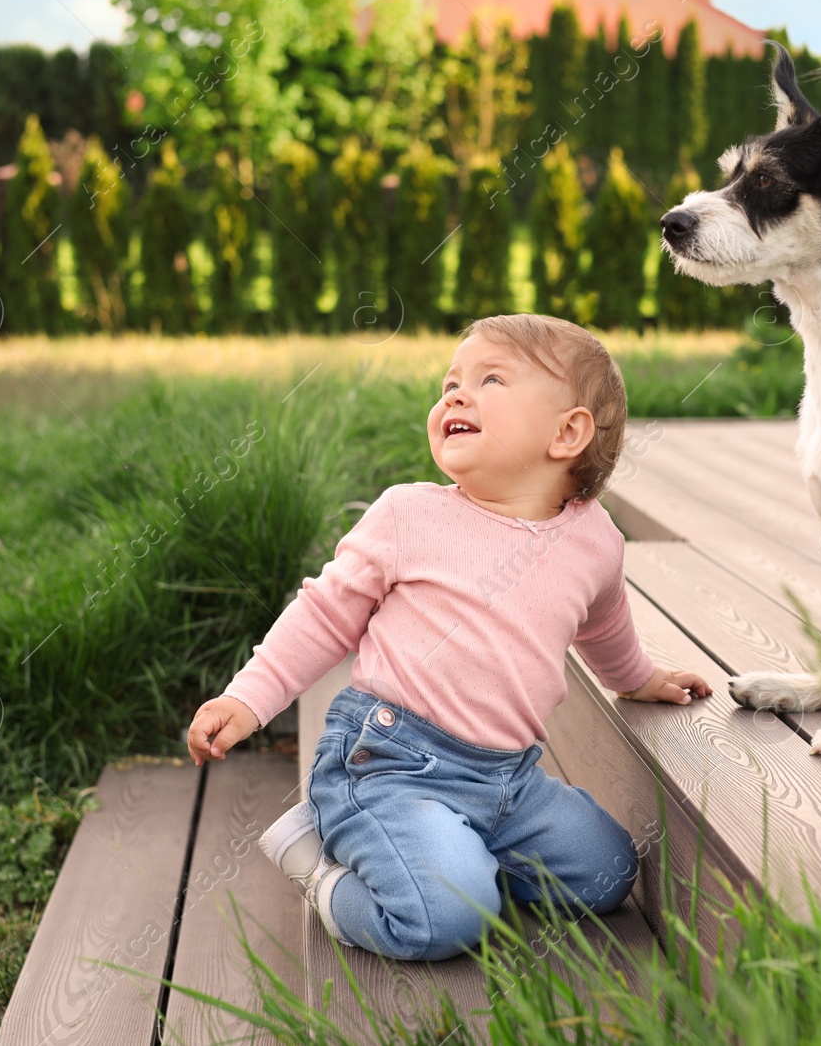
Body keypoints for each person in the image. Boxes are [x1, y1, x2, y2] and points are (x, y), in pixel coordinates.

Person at [185, 313, 712, 961]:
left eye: (490, 379)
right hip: (387, 762)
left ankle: (457, 848)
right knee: (445, 919)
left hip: (508, 779)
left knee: (604, 872)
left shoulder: (593, 538)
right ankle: (325, 875)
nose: (455, 395)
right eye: (450, 383)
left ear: (568, 431)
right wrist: (248, 699)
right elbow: (322, 615)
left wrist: (638, 679)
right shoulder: (409, 515)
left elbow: (604, 624)